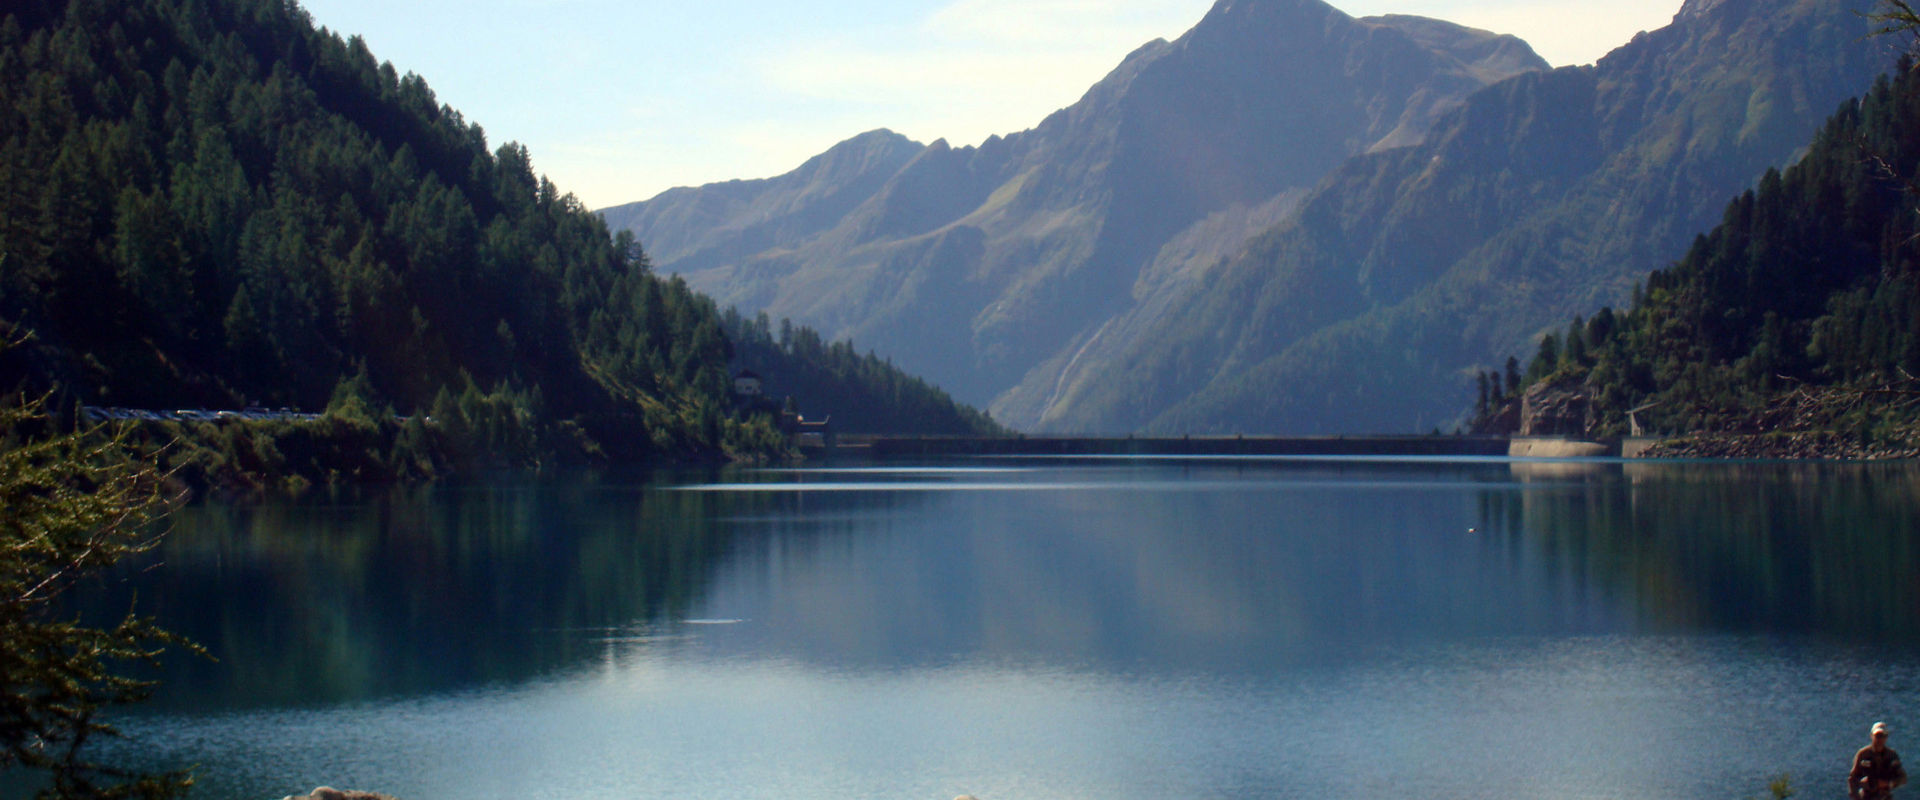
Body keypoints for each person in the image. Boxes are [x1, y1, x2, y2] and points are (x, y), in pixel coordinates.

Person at [1852, 722, 1908, 800]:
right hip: (1866, 797)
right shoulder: (1863, 754)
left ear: (1886, 737)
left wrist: (1887, 783)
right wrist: (1859, 789)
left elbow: (1902, 778)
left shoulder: (1891, 755)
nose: (1880, 739)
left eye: (1883, 736)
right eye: (1877, 736)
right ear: (1871, 736)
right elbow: (1853, 778)